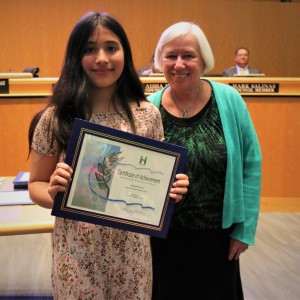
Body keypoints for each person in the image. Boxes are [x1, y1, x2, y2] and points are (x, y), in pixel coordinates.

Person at [28, 12, 188, 300]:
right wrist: (54, 191)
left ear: (124, 53)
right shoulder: (55, 118)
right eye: (89, 49)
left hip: (132, 255)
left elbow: (156, 185)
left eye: (111, 48)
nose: (102, 57)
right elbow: (35, 185)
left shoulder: (147, 114)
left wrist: (172, 189)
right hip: (76, 253)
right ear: (76, 57)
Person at [147, 22, 262, 300]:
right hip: (163, 240)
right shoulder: (149, 108)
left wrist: (243, 230)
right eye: (170, 56)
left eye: (188, 55)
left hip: (218, 240)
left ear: (204, 60)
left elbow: (251, 163)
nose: (179, 64)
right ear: (160, 60)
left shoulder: (229, 100)